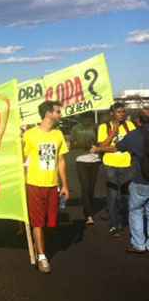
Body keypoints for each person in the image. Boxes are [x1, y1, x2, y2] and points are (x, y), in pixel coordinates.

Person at [22, 100, 69, 274]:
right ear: (48, 113)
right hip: (34, 184)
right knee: (38, 222)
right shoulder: (29, 135)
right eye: (58, 111)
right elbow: (20, 157)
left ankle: (38, 243)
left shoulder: (58, 135)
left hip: (52, 185)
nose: (60, 114)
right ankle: (42, 256)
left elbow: (61, 161)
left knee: (51, 223)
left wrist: (65, 185)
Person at [92, 102, 136, 237]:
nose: (122, 114)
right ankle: (113, 225)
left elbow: (133, 144)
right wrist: (112, 134)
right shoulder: (104, 127)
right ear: (112, 113)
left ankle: (124, 222)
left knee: (125, 196)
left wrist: (105, 148)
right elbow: (101, 145)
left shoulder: (130, 126)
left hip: (127, 165)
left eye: (123, 112)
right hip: (110, 165)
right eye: (119, 112)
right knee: (112, 195)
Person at [115, 113, 149, 253]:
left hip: (140, 179)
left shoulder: (134, 135)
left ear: (138, 121)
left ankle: (139, 244)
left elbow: (119, 146)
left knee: (136, 211)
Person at [70, 114, 101, 225]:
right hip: (81, 159)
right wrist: (82, 145)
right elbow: (71, 144)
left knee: (91, 189)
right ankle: (89, 215)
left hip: (95, 160)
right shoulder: (75, 128)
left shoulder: (96, 127)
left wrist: (96, 147)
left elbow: (101, 142)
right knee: (85, 187)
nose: (87, 118)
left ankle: (88, 208)